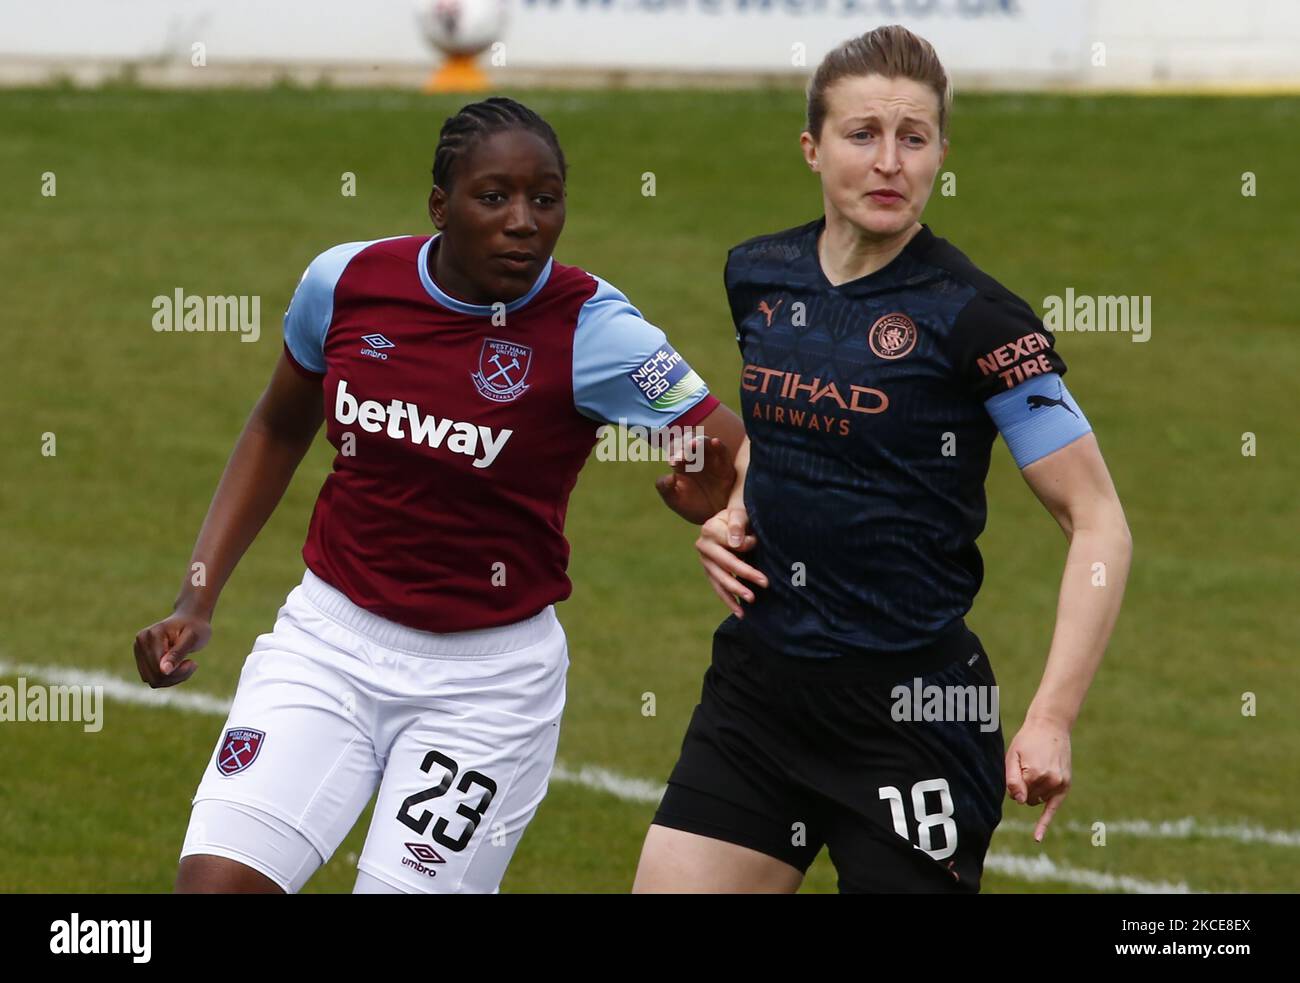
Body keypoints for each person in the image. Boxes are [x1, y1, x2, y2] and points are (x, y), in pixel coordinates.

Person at [132, 97, 745, 894]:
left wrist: (726, 501)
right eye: (494, 197)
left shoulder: (593, 328)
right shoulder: (348, 282)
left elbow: (739, 454)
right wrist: (197, 595)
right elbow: (278, 429)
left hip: (487, 690)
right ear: (440, 207)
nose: (523, 222)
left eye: (546, 198)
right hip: (328, 644)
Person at [635, 26, 1133, 893]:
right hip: (758, 693)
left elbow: (1097, 523)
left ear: (940, 150)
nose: (889, 161)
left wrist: (1051, 717)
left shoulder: (982, 321)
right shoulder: (760, 275)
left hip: (914, 719)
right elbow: (779, 432)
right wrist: (737, 509)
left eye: (913, 137)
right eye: (862, 135)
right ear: (812, 148)